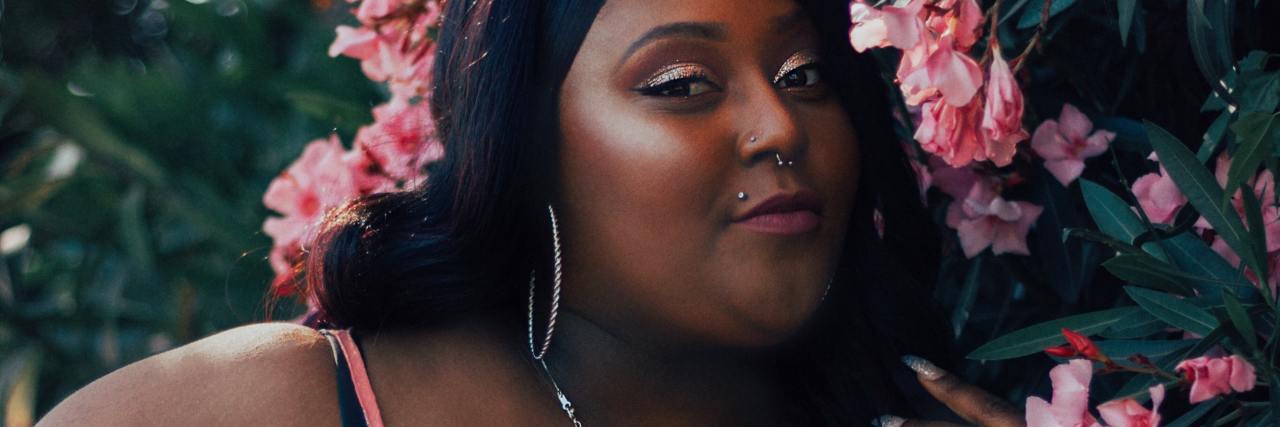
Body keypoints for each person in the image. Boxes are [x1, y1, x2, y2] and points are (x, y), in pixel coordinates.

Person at [38, 0, 1025, 425]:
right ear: (529, 149)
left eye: (804, 72)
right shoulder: (264, 407)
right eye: (679, 82)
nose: (779, 124)